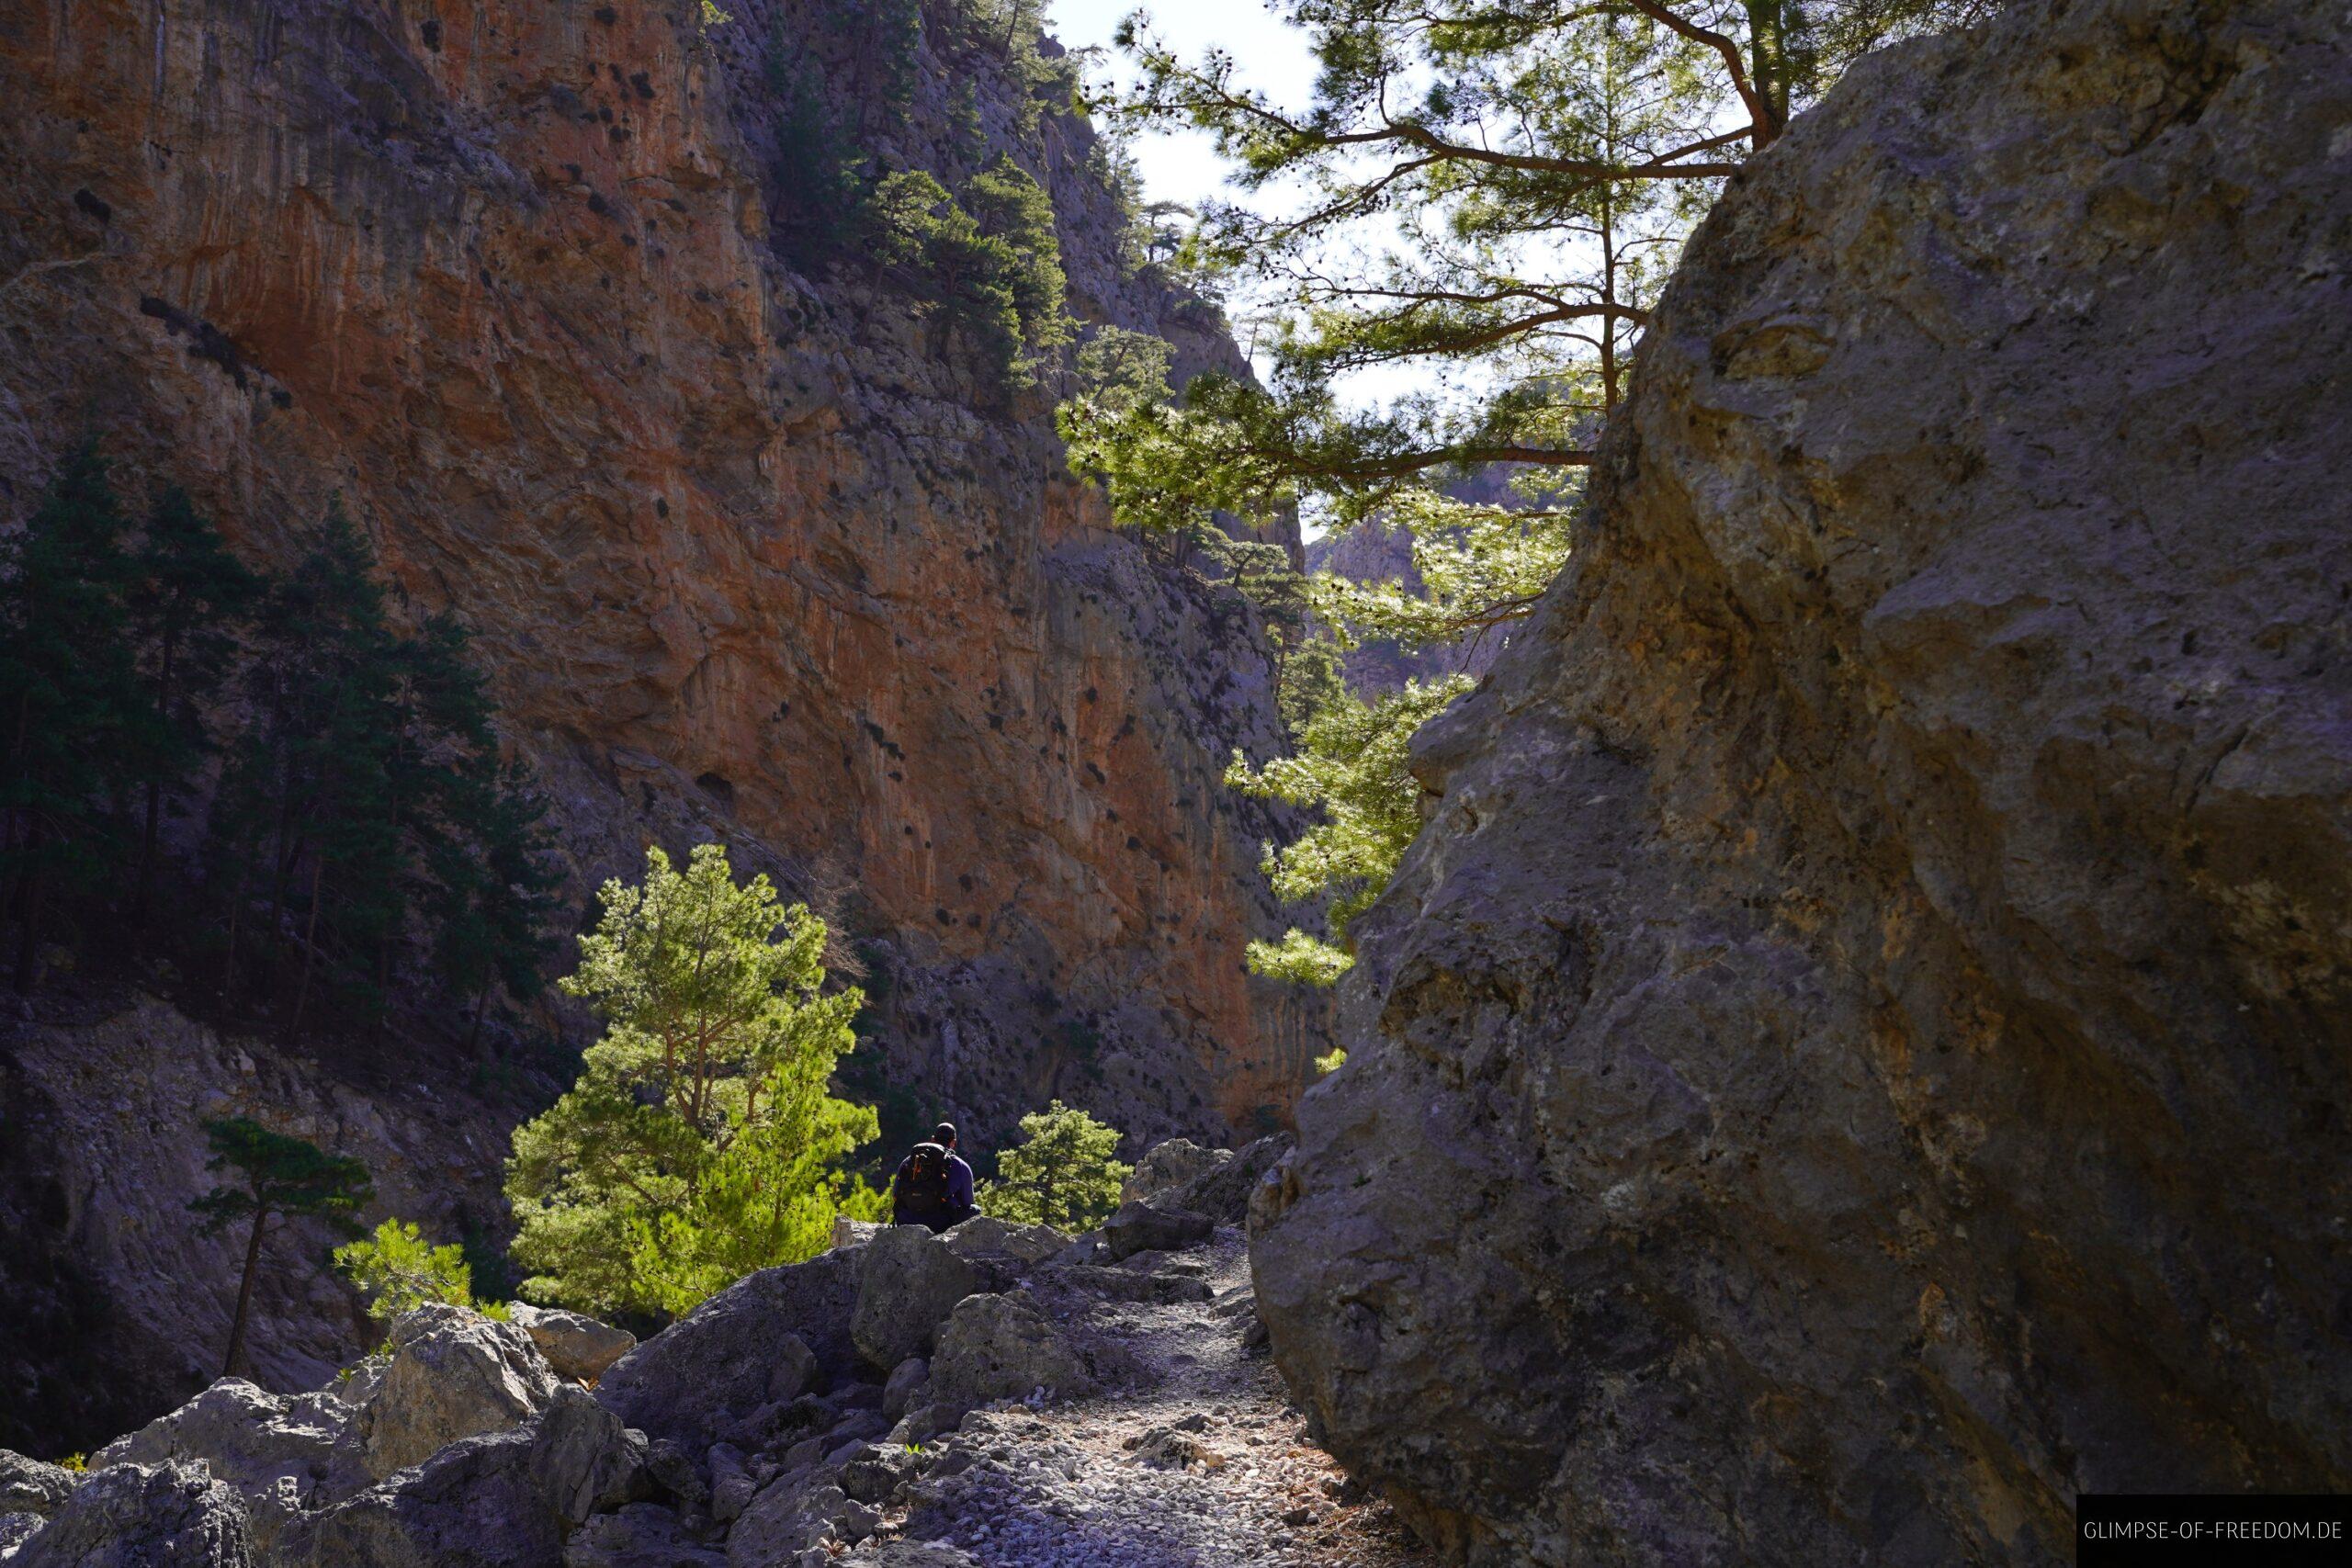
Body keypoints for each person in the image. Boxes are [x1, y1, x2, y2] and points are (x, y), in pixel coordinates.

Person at [891, 1122, 977, 1232]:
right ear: (953, 1142)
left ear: (932, 1139)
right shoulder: (961, 1165)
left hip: (905, 1219)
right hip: (939, 1224)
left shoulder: (910, 1160)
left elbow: (895, 1194)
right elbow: (968, 1202)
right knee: (975, 1210)